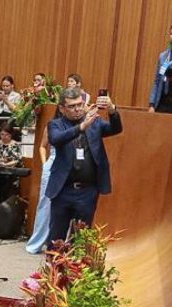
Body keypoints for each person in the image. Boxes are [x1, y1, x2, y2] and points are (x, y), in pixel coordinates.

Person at [47, 87, 122, 245]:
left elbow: (116, 129)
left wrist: (111, 109)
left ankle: (75, 270)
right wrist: (81, 127)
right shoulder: (56, 124)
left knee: (80, 240)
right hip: (63, 191)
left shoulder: (95, 123)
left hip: (87, 192)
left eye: (80, 105)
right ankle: (53, 268)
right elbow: (56, 139)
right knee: (56, 238)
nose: (77, 109)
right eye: (72, 106)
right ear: (62, 109)